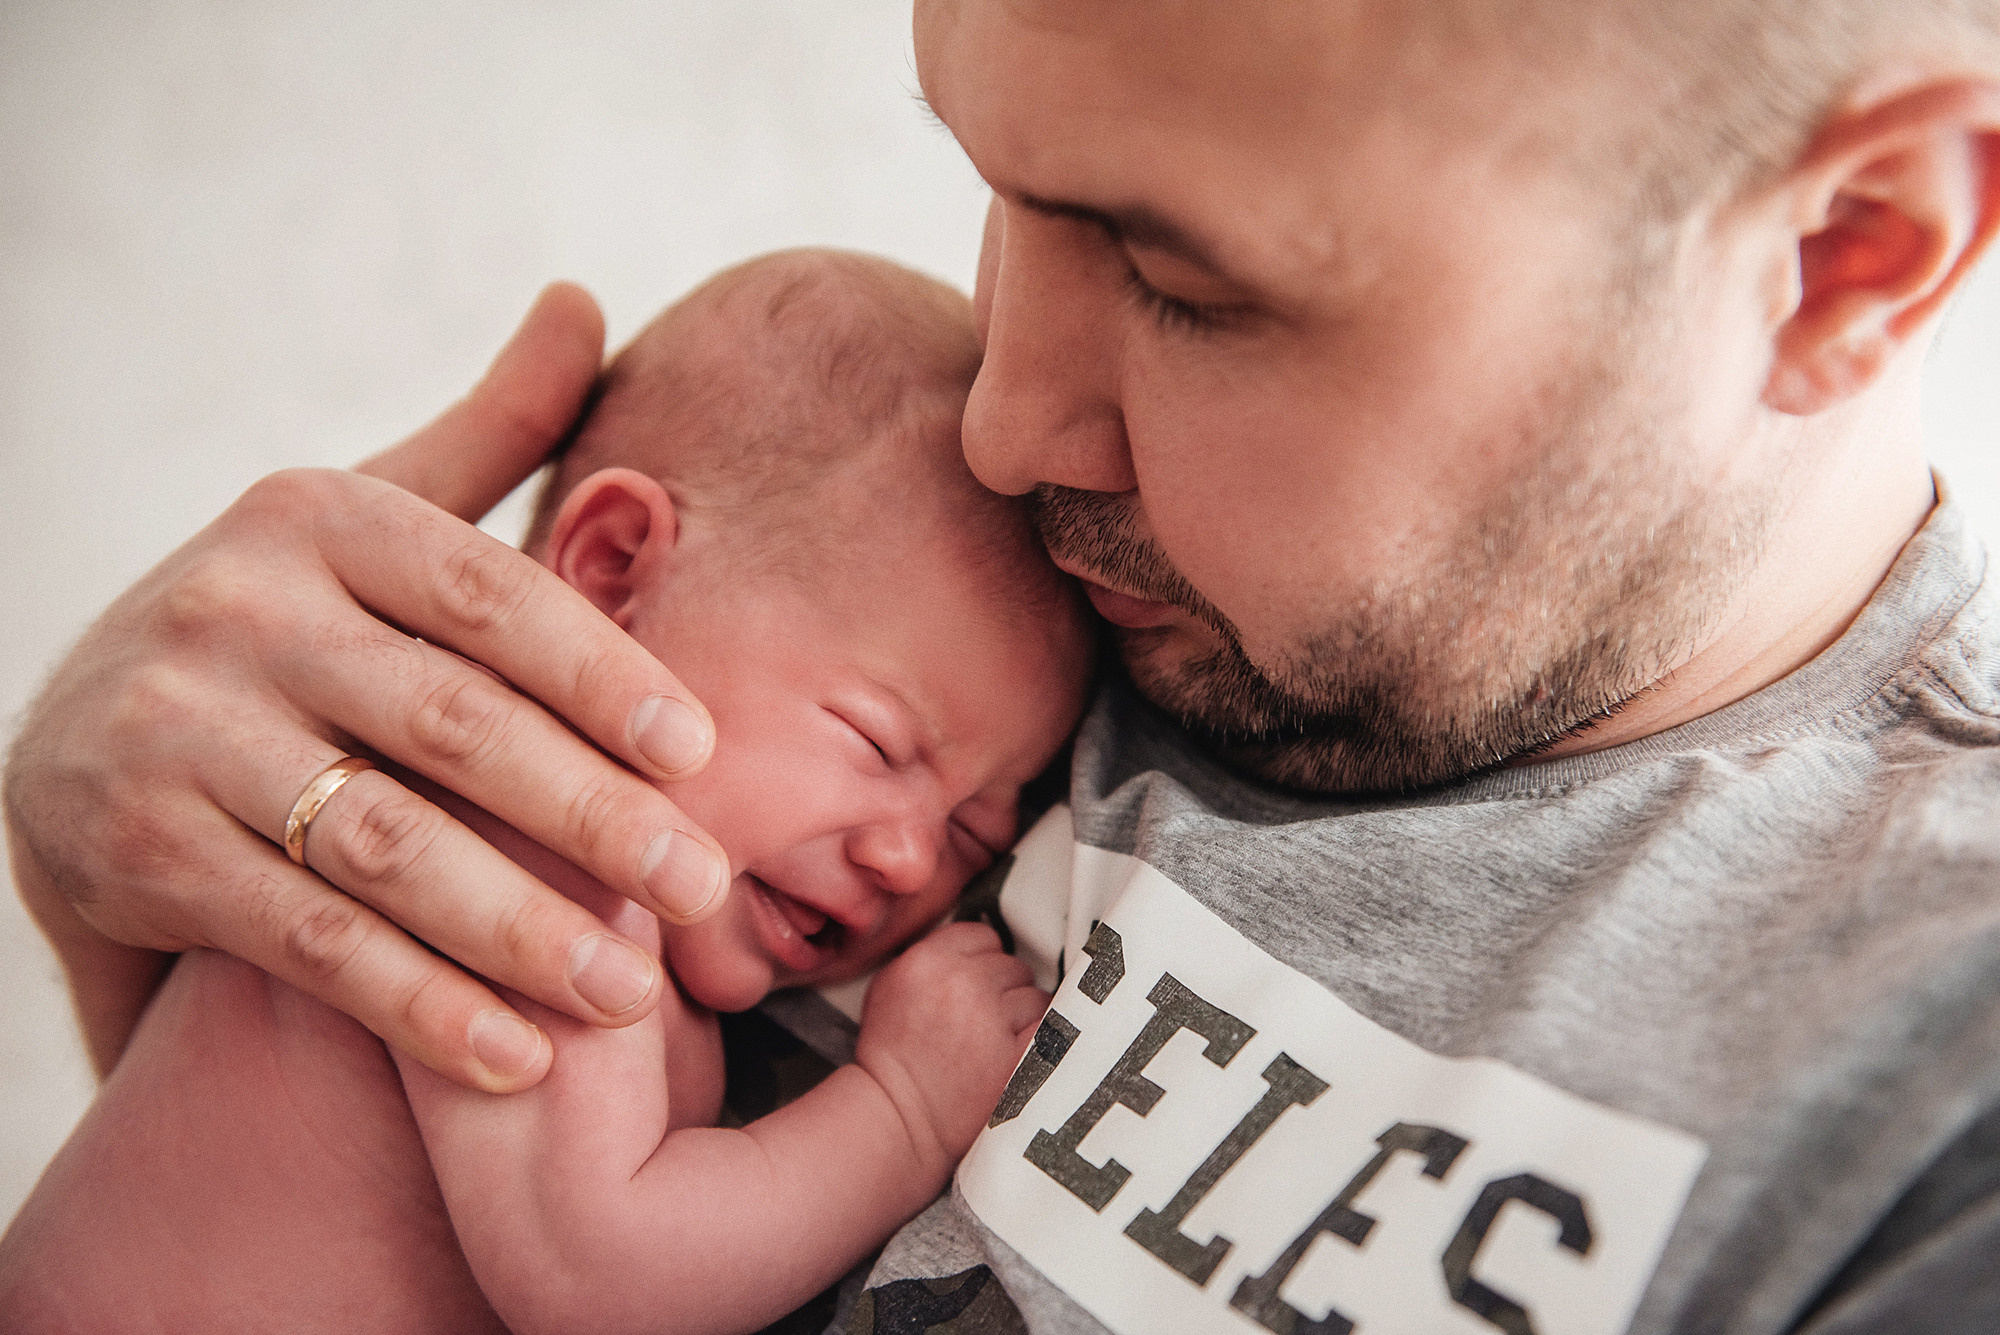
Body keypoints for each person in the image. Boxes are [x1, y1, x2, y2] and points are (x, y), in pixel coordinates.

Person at [6, 0, 2000, 1331]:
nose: (1006, 425)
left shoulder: (1929, 1104)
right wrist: (132, 862)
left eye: (1184, 286)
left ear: (1848, 246)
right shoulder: (944, 601)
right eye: (995, 184)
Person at [0, 250, 1092, 1333]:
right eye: (874, 740)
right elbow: (602, 1272)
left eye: (972, 830)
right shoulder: (532, 833)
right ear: (613, 569)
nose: (908, 858)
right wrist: (903, 1109)